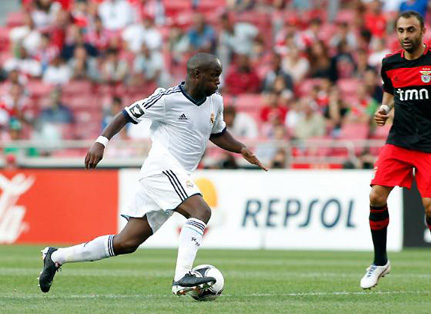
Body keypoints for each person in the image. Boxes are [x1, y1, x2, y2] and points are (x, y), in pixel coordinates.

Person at [38, 53, 268, 294]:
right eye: (214, 76)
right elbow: (126, 114)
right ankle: (182, 276)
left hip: (176, 175)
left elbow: (216, 133)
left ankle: (56, 256)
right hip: (161, 168)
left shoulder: (215, 102)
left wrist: (242, 149)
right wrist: (101, 141)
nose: (218, 82)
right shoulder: (167, 99)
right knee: (201, 211)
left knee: (126, 242)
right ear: (196, 75)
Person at [360, 11, 431, 290]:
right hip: (398, 140)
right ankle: (380, 261)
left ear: (423, 30)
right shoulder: (389, 63)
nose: (405, 36)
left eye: (411, 30)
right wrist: (385, 109)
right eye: (401, 31)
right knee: (376, 196)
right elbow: (391, 93)